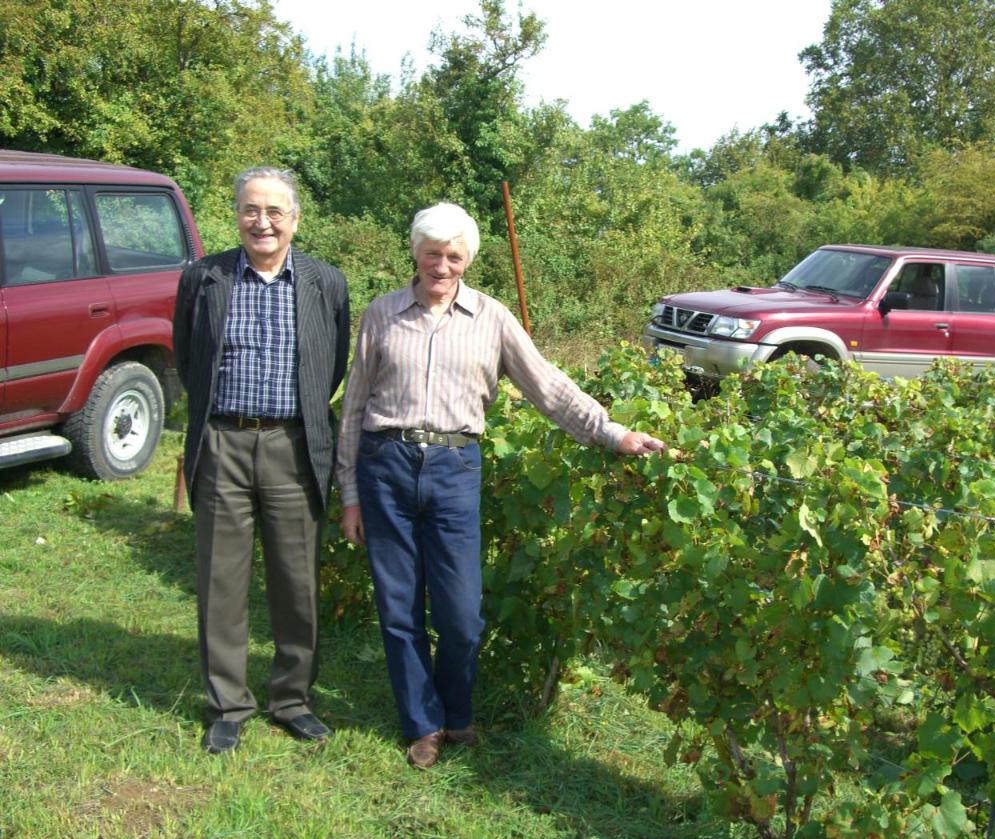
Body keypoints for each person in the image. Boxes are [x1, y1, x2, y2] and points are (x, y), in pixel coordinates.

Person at [337, 202, 665, 769]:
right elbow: (354, 406)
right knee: (398, 607)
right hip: (385, 464)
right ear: (415, 252)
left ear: (467, 259)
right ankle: (423, 724)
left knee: (462, 615)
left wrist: (612, 433)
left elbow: (548, 386)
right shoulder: (382, 314)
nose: (442, 266)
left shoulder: (491, 318)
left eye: (453, 256)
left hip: (454, 468)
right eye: (432, 253)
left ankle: (457, 710)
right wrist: (349, 494)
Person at [173, 166, 351, 754]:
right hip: (222, 442)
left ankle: (292, 699)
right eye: (251, 209)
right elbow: (188, 358)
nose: (262, 222)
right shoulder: (204, 278)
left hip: (293, 447)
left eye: (275, 211)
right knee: (220, 580)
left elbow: (332, 365)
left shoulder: (327, 282)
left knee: (297, 581)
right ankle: (228, 703)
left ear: (295, 219)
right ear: (237, 215)